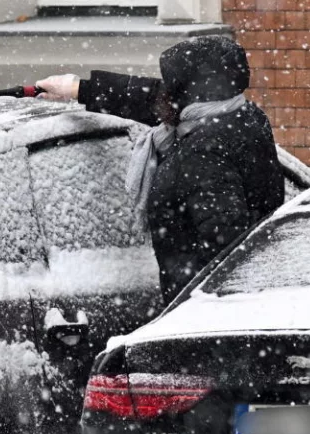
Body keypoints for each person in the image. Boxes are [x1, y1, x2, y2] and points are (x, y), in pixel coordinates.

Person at [38, 36, 284, 303]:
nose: (164, 92)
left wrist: (193, 316)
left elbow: (225, 253)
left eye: (172, 86)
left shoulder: (204, 155)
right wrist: (79, 89)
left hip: (198, 315)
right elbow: (150, 98)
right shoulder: (239, 117)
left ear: (190, 94)